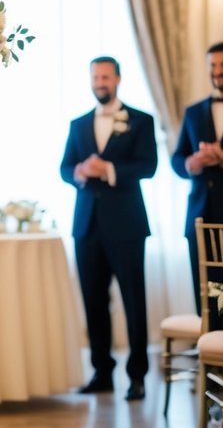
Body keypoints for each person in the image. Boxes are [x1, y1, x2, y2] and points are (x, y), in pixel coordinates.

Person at [60, 56, 157, 401]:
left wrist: (110, 170)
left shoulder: (141, 121)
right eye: (95, 77)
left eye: (105, 76)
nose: (99, 82)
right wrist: (81, 171)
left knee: (134, 301)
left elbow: (149, 166)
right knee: (94, 301)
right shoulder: (79, 124)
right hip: (86, 226)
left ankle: (138, 376)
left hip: (127, 225)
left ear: (117, 79)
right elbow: (64, 168)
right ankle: (102, 372)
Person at [171, 41, 223, 313]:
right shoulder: (193, 111)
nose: (217, 71)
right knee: (206, 293)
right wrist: (191, 162)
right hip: (201, 214)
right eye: (213, 65)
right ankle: (210, 354)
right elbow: (177, 159)